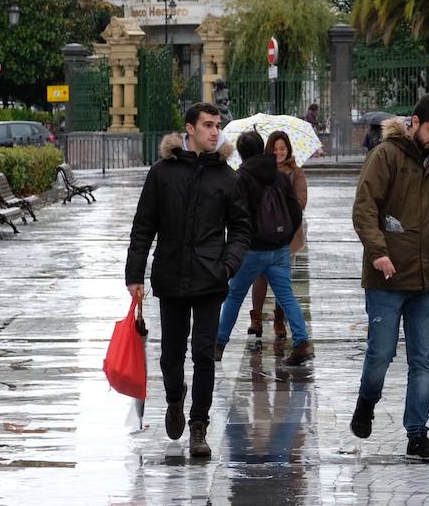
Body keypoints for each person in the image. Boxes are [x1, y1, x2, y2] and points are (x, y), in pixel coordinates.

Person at [125, 102, 252, 459]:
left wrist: (228, 264)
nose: (215, 132)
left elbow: (242, 228)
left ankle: (199, 427)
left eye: (218, 126)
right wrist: (134, 275)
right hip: (171, 275)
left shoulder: (226, 176)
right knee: (170, 355)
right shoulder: (163, 173)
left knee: (204, 355)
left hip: (211, 278)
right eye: (208, 125)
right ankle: (174, 396)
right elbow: (143, 226)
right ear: (190, 129)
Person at [350, 94, 429, 462]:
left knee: (423, 361)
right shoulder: (385, 155)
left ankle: (417, 434)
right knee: (381, 355)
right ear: (414, 122)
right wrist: (379, 252)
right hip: (387, 275)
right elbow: (364, 208)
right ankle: (367, 401)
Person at [215, 132, 312, 364]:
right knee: (287, 295)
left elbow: (232, 215)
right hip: (279, 250)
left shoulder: (240, 178)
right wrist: (285, 237)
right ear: (263, 149)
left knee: (234, 295)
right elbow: (295, 210)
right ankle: (301, 342)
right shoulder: (278, 176)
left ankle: (218, 345)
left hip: (250, 250)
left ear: (241, 152)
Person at [245, 130, 311, 345]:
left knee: (283, 282)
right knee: (260, 277)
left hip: (287, 234)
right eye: (275, 149)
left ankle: (279, 320)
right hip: (263, 233)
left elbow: (301, 201)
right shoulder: (260, 171)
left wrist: (281, 201)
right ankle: (256, 319)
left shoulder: (295, 172)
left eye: (282, 149)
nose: (279, 152)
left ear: (288, 149)